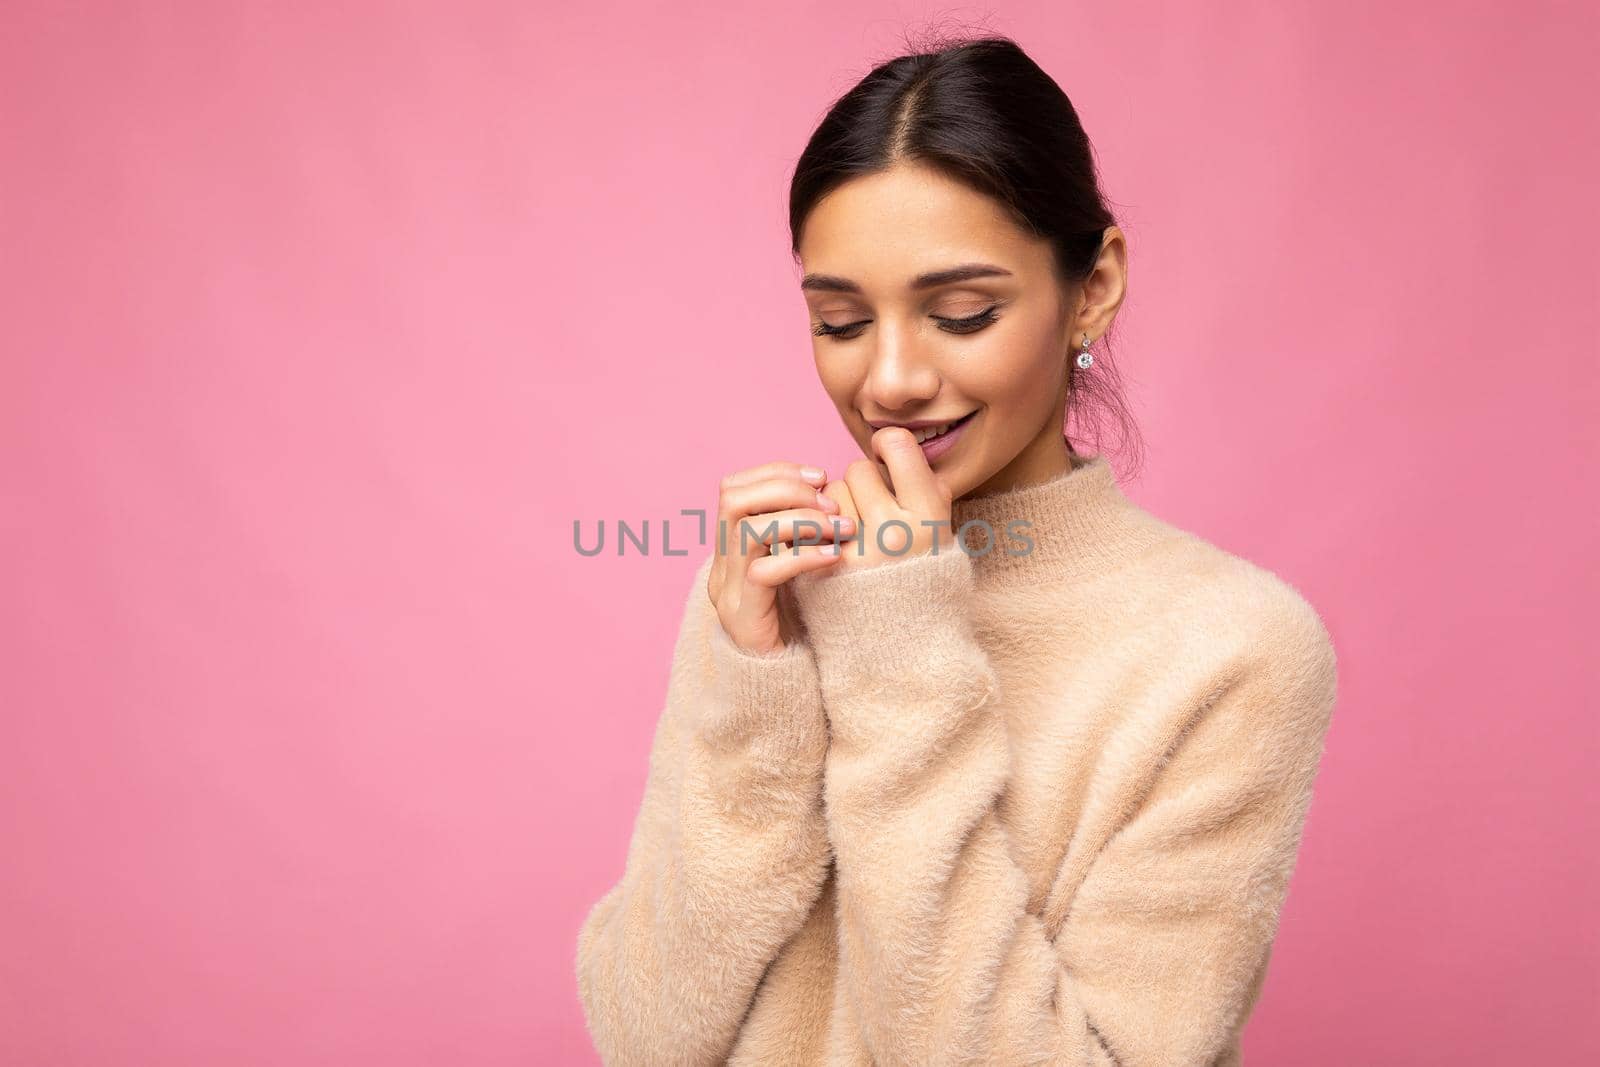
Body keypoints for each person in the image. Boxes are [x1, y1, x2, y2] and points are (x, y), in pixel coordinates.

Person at [575, 32, 1337, 1067]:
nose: (887, 378)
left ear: (1094, 285)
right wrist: (749, 696)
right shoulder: (773, 587)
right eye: (840, 321)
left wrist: (900, 659)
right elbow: (645, 1036)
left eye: (961, 312)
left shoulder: (1230, 650)